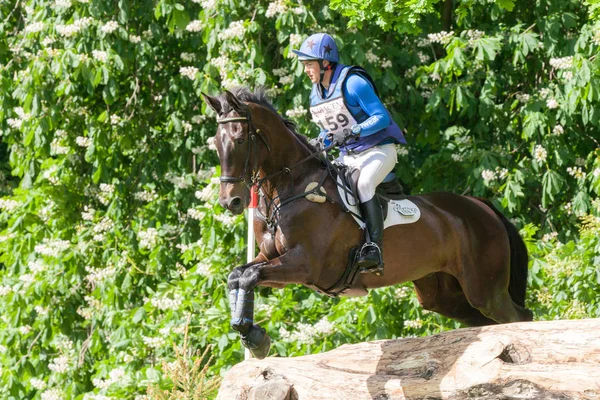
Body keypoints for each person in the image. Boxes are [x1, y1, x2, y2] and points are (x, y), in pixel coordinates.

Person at [292, 33, 407, 275]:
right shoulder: (316, 93)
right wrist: (319, 141)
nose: (306, 71)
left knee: (364, 184)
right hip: (349, 156)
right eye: (304, 65)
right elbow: (328, 128)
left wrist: (354, 131)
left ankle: (374, 248)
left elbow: (381, 117)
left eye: (309, 64)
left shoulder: (354, 83)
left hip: (378, 150)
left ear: (326, 63)